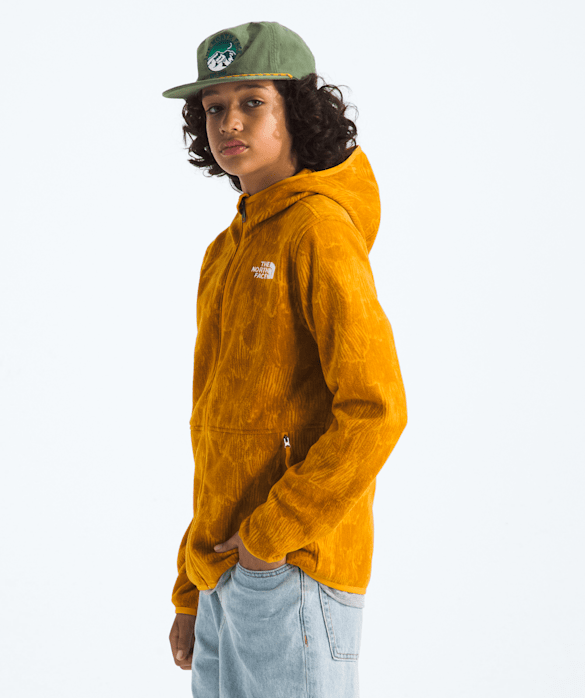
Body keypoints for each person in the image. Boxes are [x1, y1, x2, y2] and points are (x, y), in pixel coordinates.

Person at [162, 20, 407, 698]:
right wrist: (190, 588)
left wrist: (272, 536)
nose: (229, 122)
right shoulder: (226, 250)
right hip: (224, 573)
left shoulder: (319, 231)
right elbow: (216, 432)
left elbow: (376, 409)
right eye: (215, 107)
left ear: (297, 111)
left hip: (292, 567)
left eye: (253, 102)